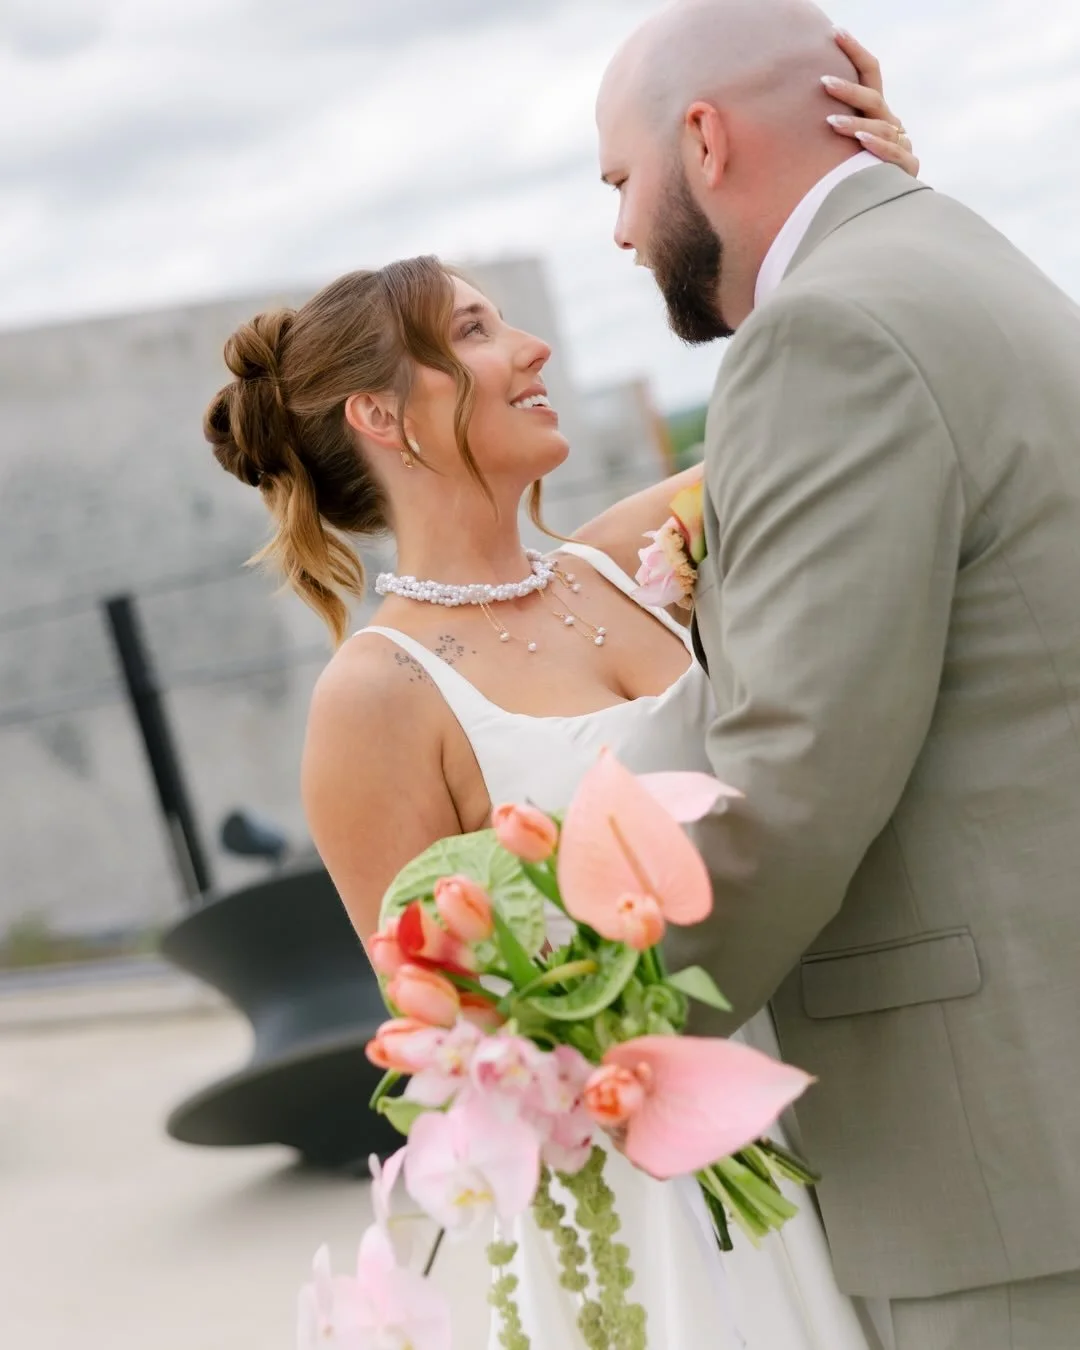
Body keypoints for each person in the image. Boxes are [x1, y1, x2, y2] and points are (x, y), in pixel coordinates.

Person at [203, 34, 916, 1350]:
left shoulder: (640, 562)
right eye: (476, 331)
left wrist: (873, 196)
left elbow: (854, 404)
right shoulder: (377, 697)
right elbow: (441, 1042)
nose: (532, 347)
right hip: (655, 1215)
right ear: (382, 413)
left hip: (850, 1121)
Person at [596, 3, 1080, 1349]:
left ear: (703, 139)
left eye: (621, 182)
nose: (623, 232)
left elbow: (788, 778)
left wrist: (580, 1020)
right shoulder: (970, 263)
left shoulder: (830, 338)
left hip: (993, 1138)